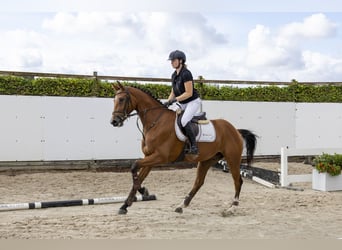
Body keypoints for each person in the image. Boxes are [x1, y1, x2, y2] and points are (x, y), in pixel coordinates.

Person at [164, 50, 201, 155]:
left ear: (181, 61)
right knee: (168, 116)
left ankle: (194, 146)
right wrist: (167, 102)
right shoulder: (174, 75)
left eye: (173, 60)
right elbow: (173, 91)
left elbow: (189, 93)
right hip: (182, 102)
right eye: (171, 61)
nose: (171, 62)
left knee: (184, 121)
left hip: (192, 102)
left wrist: (175, 100)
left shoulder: (186, 74)